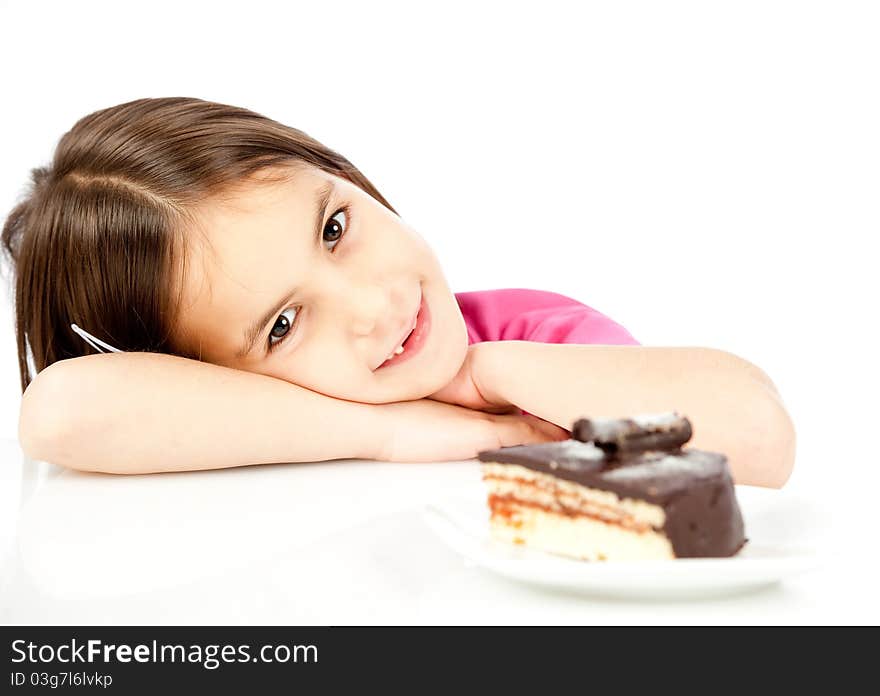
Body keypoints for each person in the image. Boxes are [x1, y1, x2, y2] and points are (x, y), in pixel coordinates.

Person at [0, 97, 795, 484]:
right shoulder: (215, 425)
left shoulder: (533, 344)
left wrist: (485, 378)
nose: (376, 308)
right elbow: (59, 411)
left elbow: (760, 436)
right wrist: (388, 433)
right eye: (281, 325)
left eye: (336, 229)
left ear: (346, 177)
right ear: (205, 375)